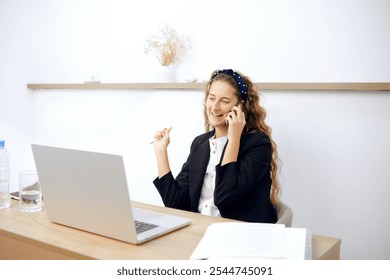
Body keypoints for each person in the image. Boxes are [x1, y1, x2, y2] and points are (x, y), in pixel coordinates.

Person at [152, 69, 280, 223]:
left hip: (239, 235)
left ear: (240, 106)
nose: (214, 107)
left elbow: (226, 198)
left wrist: (233, 138)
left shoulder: (258, 144)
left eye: (225, 101)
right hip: (200, 230)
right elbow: (176, 204)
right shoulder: (200, 144)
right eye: (211, 98)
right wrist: (161, 152)